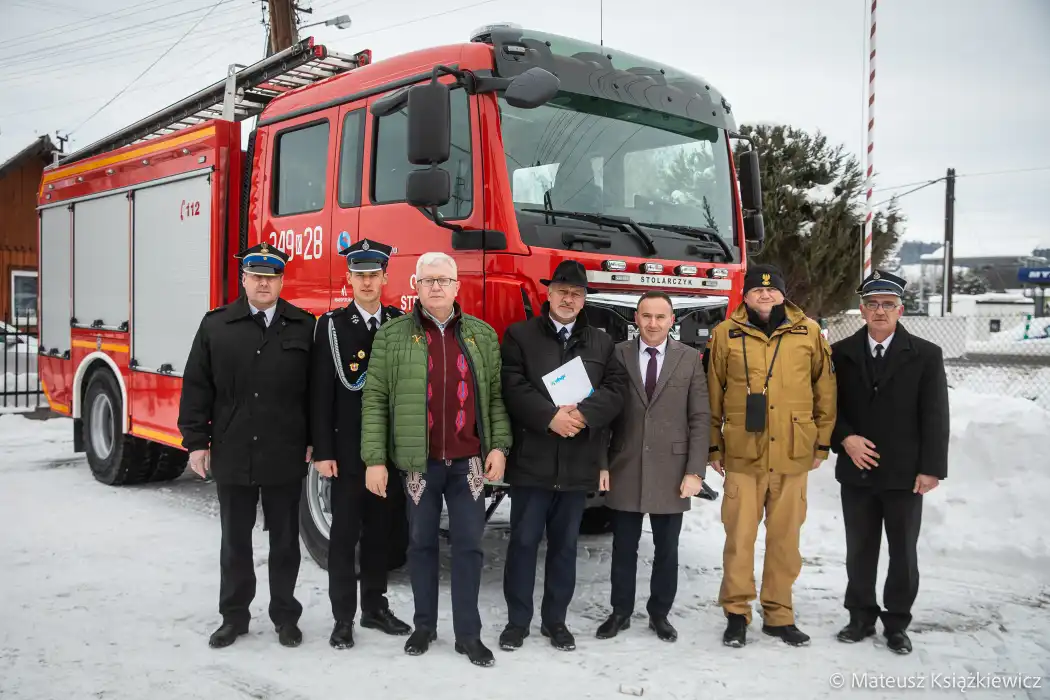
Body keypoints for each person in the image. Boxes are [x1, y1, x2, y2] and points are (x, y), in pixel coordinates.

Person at [360, 251, 512, 668]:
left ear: (457, 285)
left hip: (469, 465)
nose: (436, 287)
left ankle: (468, 635)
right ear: (416, 286)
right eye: (428, 281)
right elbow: (374, 400)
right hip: (418, 464)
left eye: (443, 280)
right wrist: (374, 459)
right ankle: (424, 626)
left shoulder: (481, 335)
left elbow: (495, 397)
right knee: (420, 546)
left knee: (469, 547)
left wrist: (498, 446)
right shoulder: (392, 336)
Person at [177, 242, 316, 649]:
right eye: (256, 276)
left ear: (281, 280)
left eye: (271, 277)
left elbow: (315, 393)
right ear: (244, 279)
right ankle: (234, 617)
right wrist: (196, 442)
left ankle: (285, 616)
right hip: (233, 449)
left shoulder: (304, 326)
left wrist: (315, 442)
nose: (263, 283)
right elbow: (197, 387)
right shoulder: (216, 326)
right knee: (235, 541)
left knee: (286, 542)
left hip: (285, 451)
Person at [498, 259, 627, 653]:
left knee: (565, 547)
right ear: (548, 294)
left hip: (577, 463)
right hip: (533, 461)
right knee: (522, 543)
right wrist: (549, 417)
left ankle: (555, 622)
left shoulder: (603, 343)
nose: (568, 299)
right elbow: (512, 385)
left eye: (576, 293)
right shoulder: (520, 335)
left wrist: (583, 415)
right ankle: (517, 622)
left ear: (585, 299)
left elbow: (616, 389)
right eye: (561, 291)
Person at [706, 264, 836, 648]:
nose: (765, 295)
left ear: (783, 294)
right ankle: (736, 613)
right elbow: (712, 394)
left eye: (772, 290)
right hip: (743, 454)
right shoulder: (725, 334)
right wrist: (714, 445)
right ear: (745, 295)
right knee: (739, 539)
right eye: (757, 290)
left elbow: (824, 391)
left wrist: (822, 442)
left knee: (784, 541)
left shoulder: (808, 332)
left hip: (793, 453)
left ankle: (779, 614)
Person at [830, 270, 949, 655]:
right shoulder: (841, 353)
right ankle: (860, 617)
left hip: (904, 473)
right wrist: (844, 438)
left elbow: (935, 414)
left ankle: (897, 623)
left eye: (888, 305)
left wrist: (931, 467)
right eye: (873, 304)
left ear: (901, 309)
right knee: (859, 549)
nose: (880, 311)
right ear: (862, 310)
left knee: (903, 553)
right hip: (857, 472)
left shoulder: (927, 355)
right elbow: (829, 407)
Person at [309, 238, 411, 649]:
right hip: (348, 453)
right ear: (349, 278)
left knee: (380, 533)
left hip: (388, 453)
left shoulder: (400, 321)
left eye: (374, 275)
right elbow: (320, 393)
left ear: (386, 278)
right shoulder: (331, 326)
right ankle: (342, 618)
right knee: (344, 535)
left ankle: (374, 607)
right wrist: (323, 451)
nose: (367, 282)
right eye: (360, 275)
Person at [596, 291, 710, 643]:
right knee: (623, 548)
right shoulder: (616, 354)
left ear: (672, 320)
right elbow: (603, 414)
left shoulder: (689, 359)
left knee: (667, 550)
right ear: (636, 318)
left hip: (672, 472)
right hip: (624, 465)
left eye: (660, 317)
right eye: (646, 316)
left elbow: (700, 417)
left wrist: (695, 471)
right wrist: (601, 464)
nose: (653, 323)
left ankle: (659, 614)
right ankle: (620, 612)